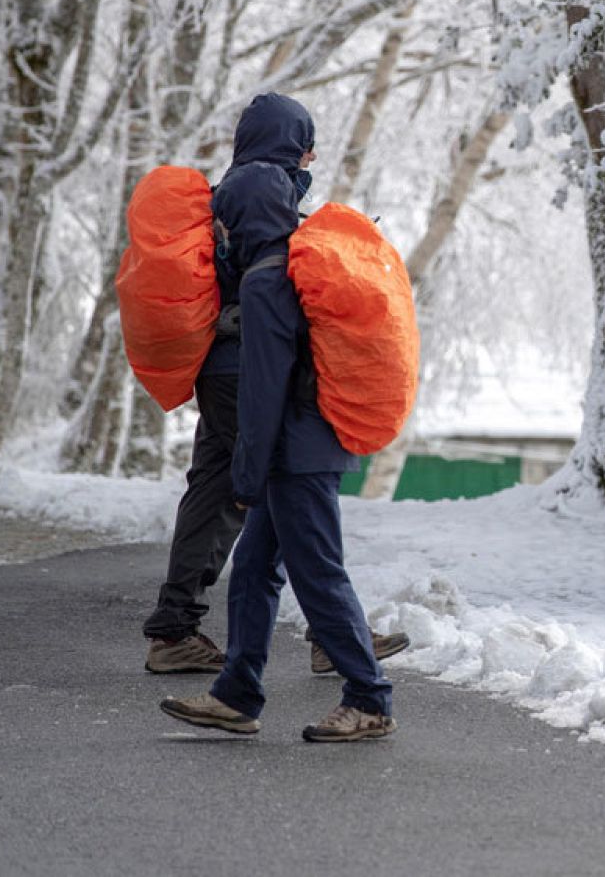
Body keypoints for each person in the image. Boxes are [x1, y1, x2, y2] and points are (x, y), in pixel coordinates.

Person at [141, 96, 409, 678]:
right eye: (304, 140)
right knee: (292, 491)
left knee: (217, 492)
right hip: (252, 363)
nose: (312, 152)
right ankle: (333, 636)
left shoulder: (239, 184)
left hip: (224, 364)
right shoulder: (264, 184)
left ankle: (174, 629)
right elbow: (273, 273)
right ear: (284, 140)